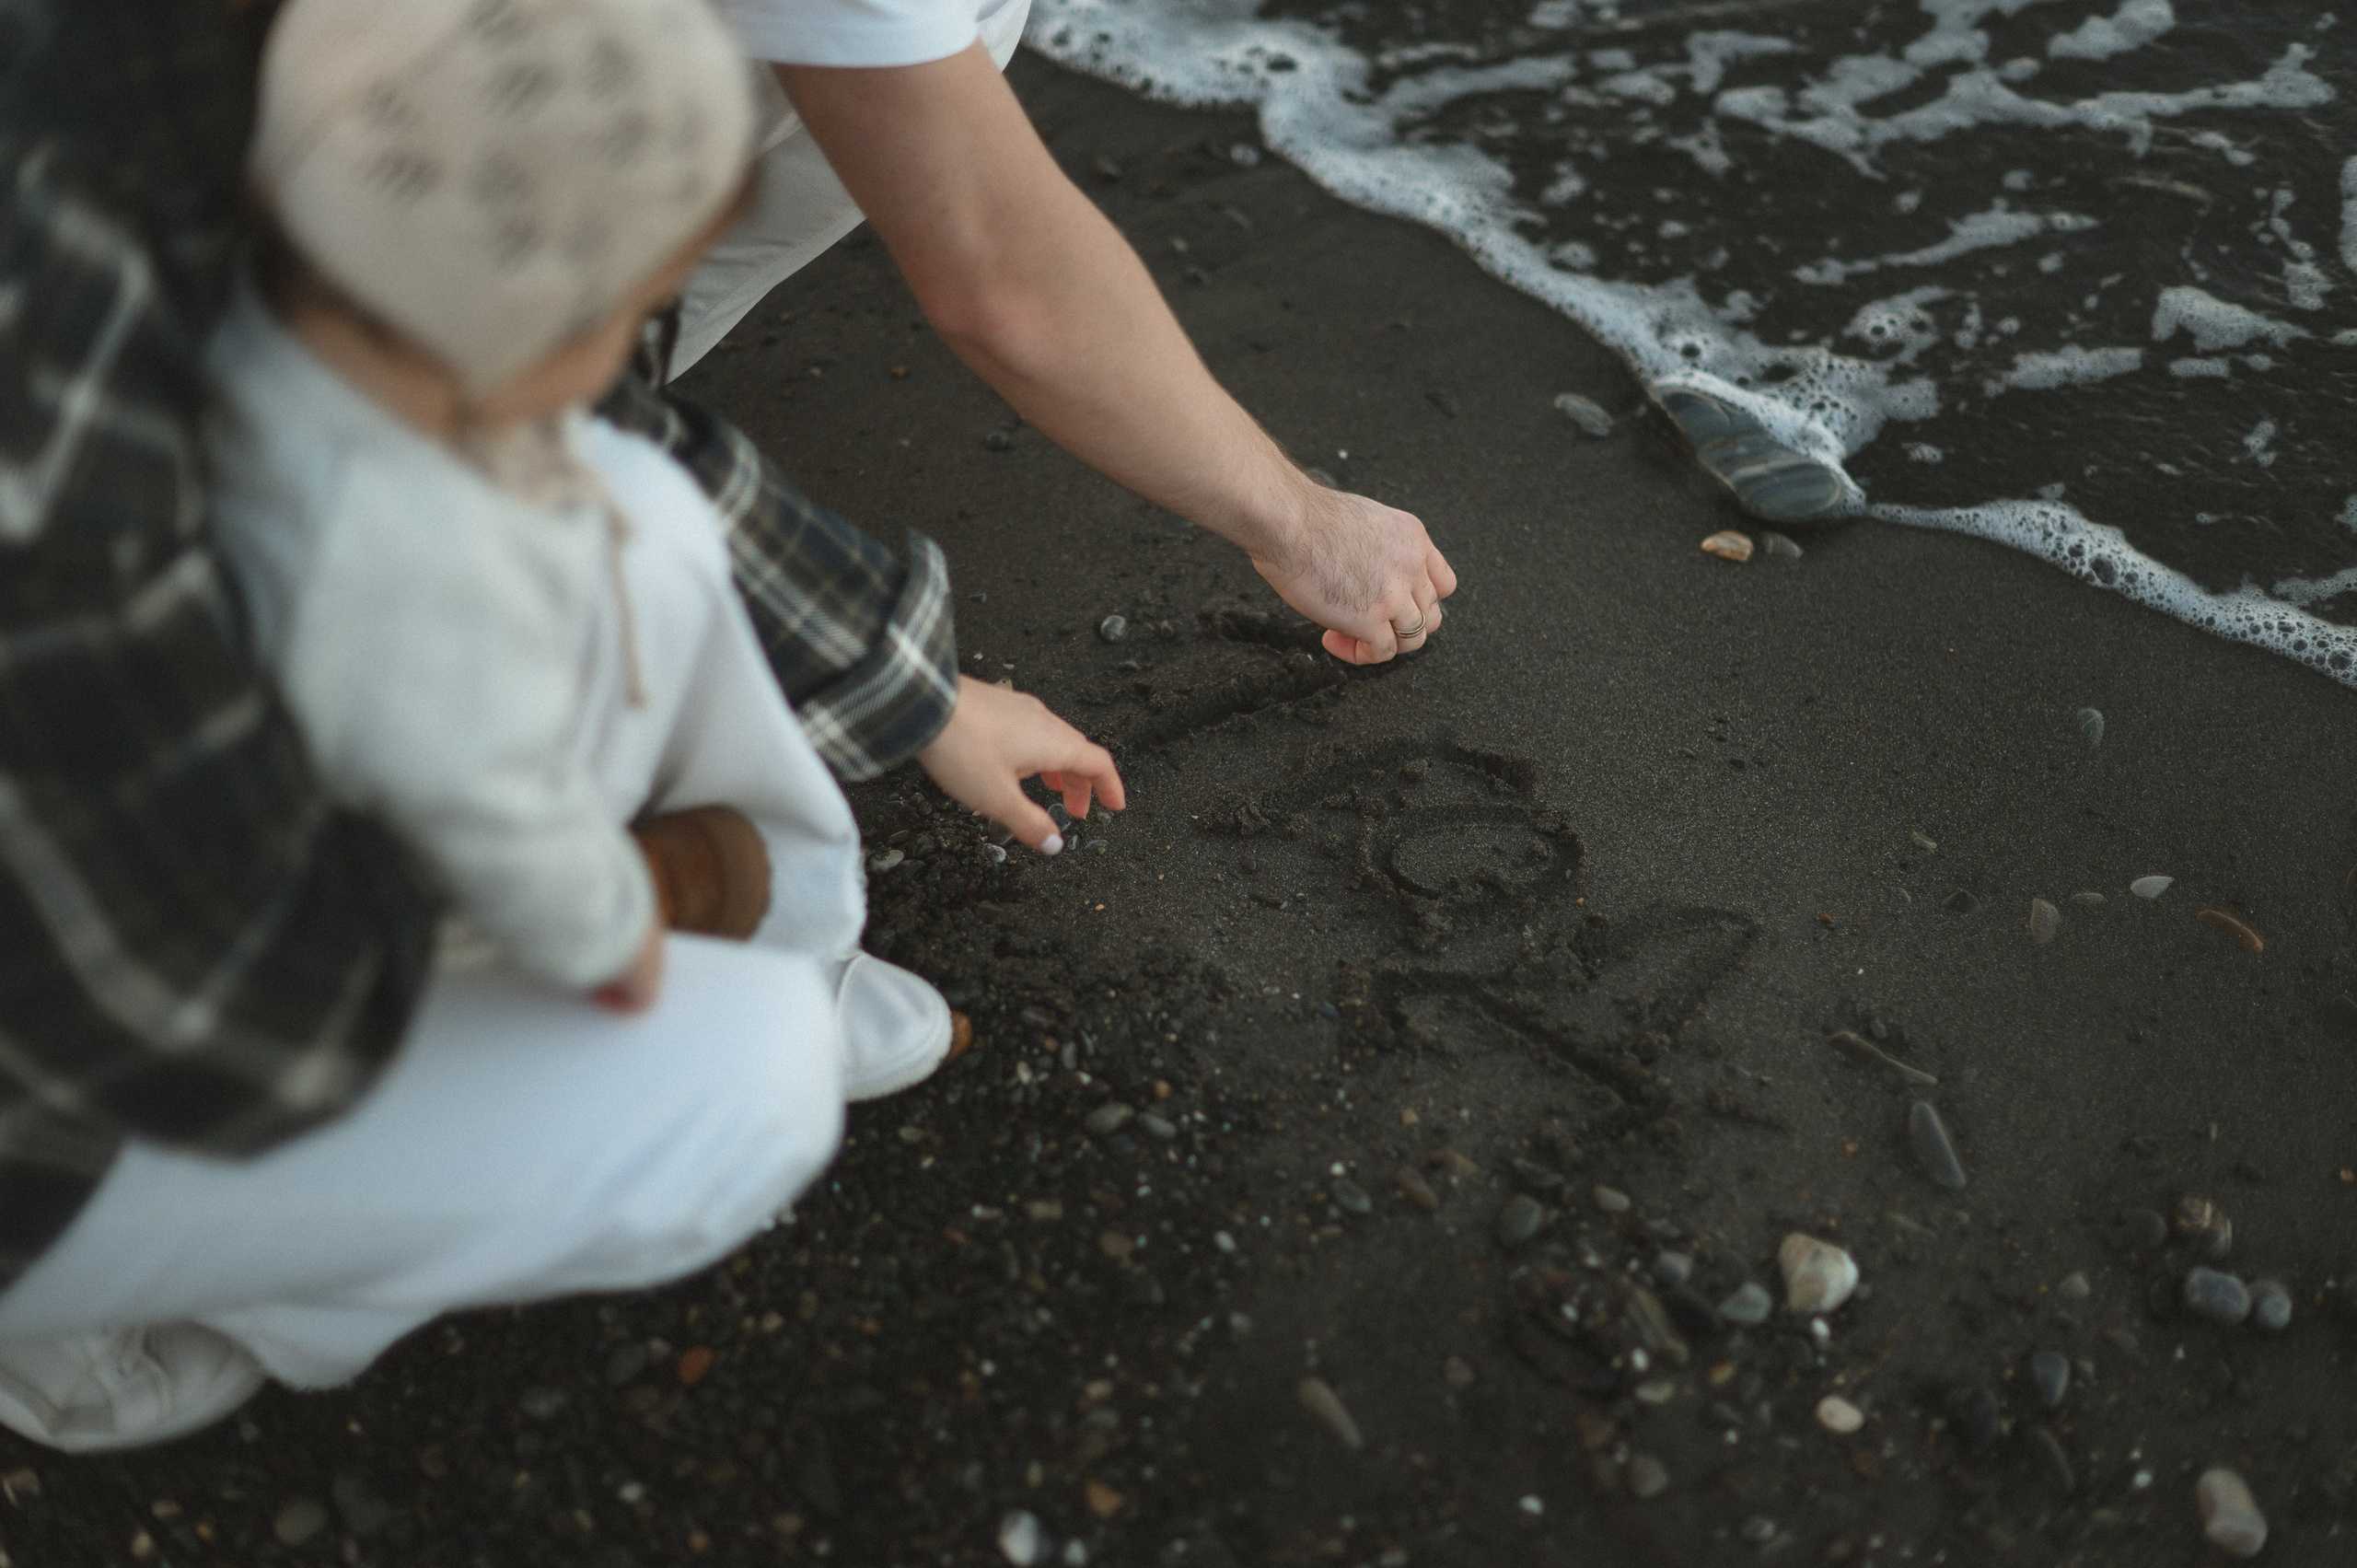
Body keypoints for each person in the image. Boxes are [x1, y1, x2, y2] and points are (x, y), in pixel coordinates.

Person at [0, 0, 1454, 1452]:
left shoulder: (180, 167)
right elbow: (228, 990)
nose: (639, 358)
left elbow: (625, 449)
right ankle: (168, 1313)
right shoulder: (354, 585)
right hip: (88, 1077)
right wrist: (605, 923)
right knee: (741, 1095)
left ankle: (783, 958)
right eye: (616, 320)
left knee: (637, 513)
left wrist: (921, 690)